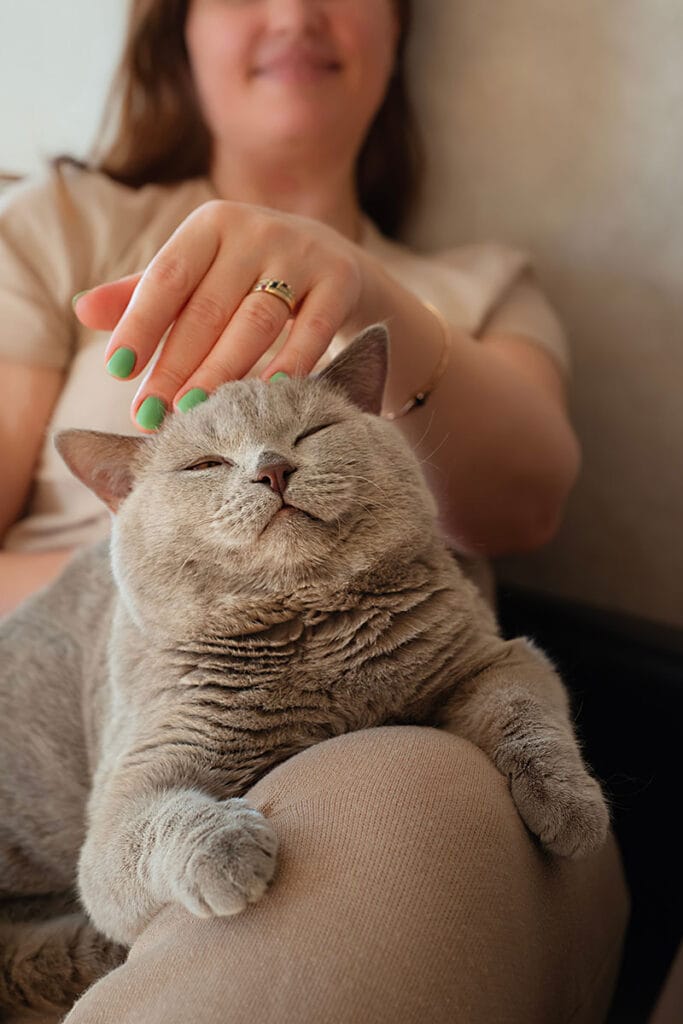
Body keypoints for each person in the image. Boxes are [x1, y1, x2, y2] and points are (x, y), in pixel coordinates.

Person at [0, 2, 628, 1021]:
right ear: (178, 32)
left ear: (394, 30)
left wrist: (369, 290)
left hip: (404, 720)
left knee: (405, 808)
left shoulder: (478, 287)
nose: (293, 10)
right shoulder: (60, 223)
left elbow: (527, 499)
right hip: (110, 703)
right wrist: (163, 595)